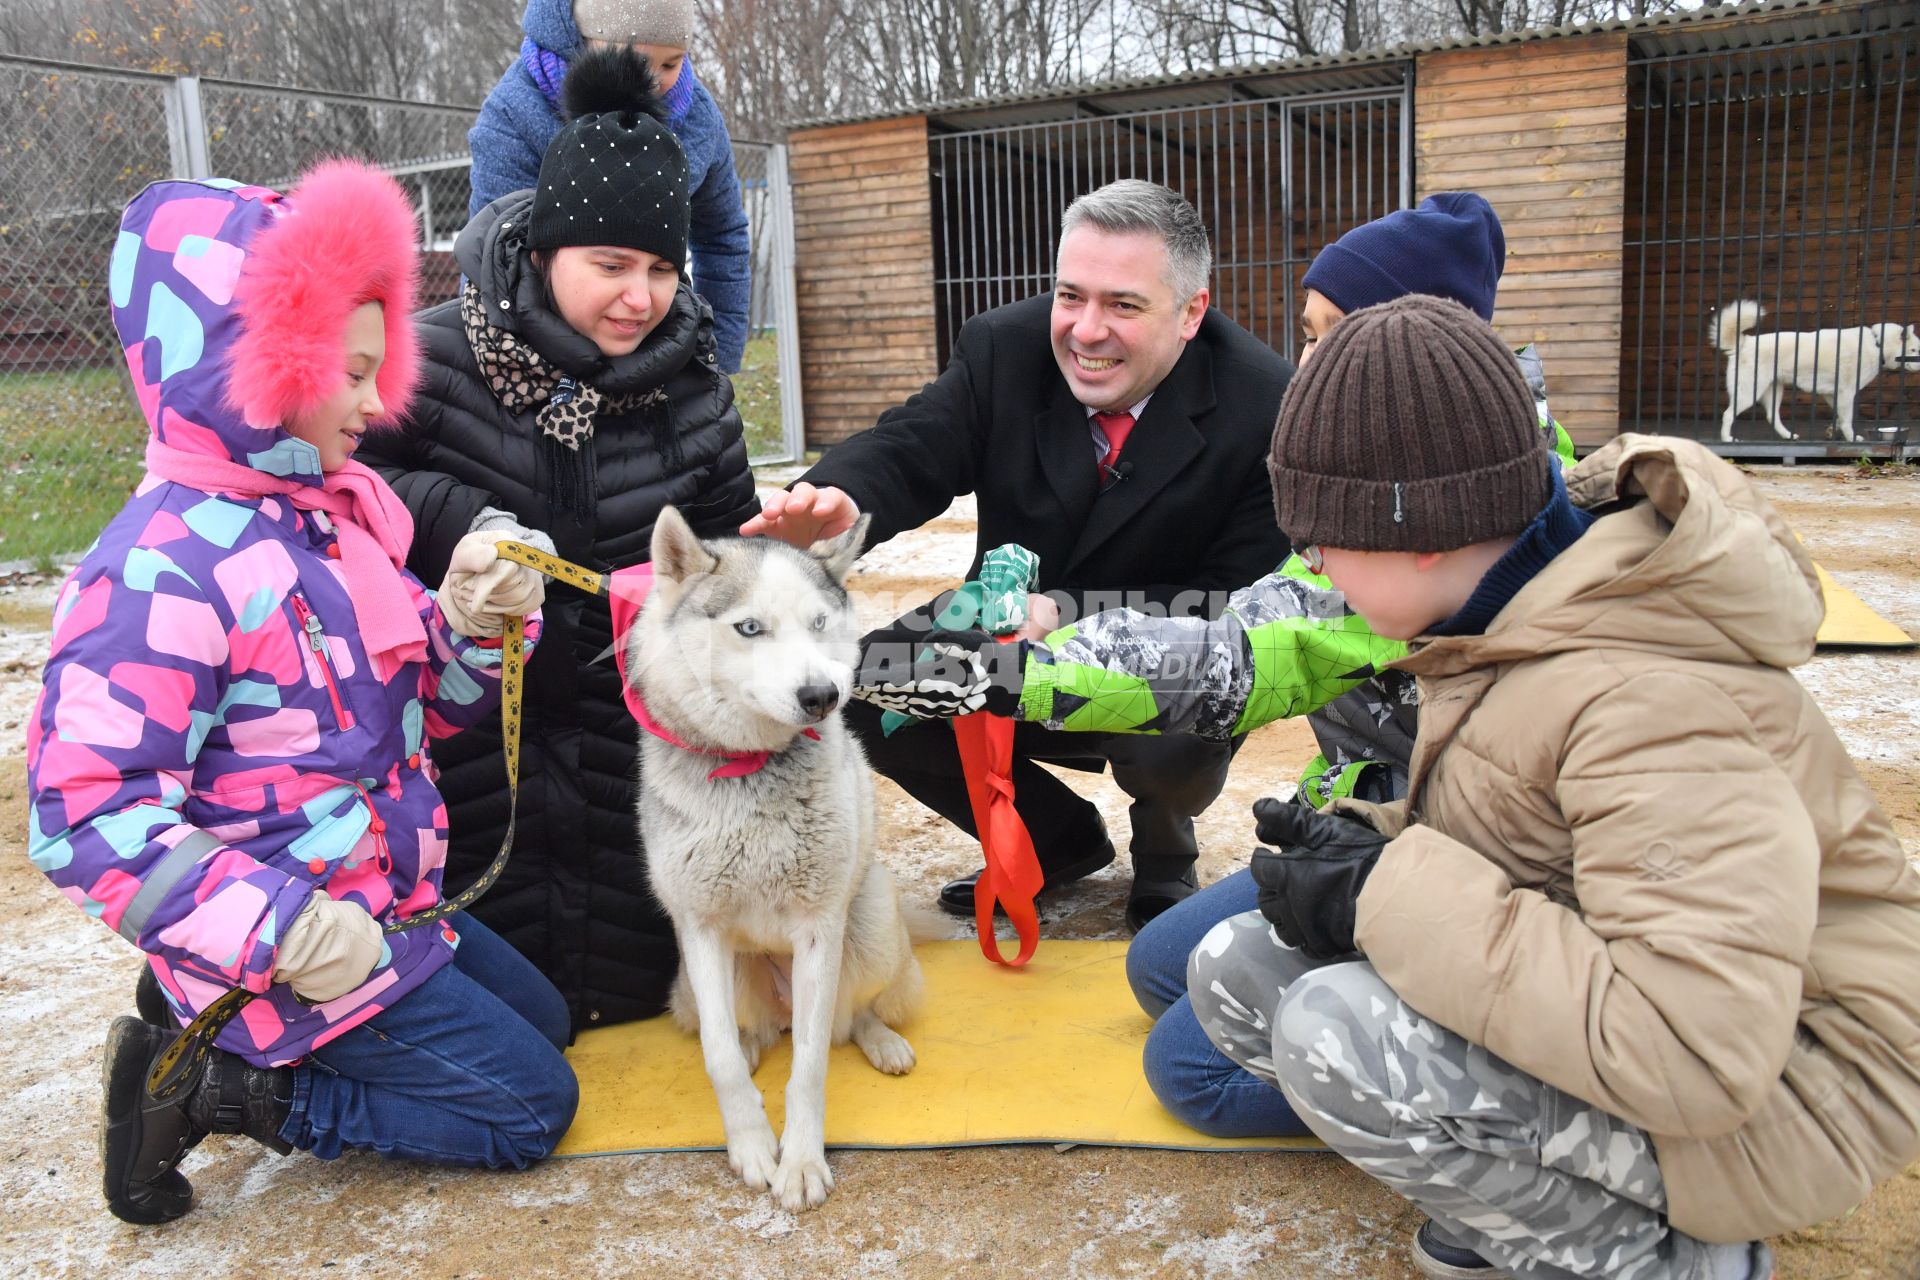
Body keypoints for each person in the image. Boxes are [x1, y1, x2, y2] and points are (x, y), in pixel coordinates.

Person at [1204, 294, 1920, 1277]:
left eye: (1322, 540)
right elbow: (1538, 840)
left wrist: (1386, 893)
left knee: (1339, 1031)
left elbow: (1696, 1051)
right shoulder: (1515, 606)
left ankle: (1673, 1258)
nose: (1312, 567)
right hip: (1674, 1032)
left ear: (1418, 530)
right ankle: (1535, 1199)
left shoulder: (1647, 698)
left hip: (1800, 1090)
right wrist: (1362, 845)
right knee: (1240, 967)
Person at [853, 193, 1578, 1138]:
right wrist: (997, 660)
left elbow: (1237, 648)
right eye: (1309, 335)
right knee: (1162, 967)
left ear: (1419, 363)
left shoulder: (1420, 507)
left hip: (1466, 872)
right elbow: (1264, 634)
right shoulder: (1382, 479)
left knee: (1191, 1069)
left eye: (1331, 338)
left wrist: (1026, 661)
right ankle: (1074, 846)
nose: (1307, 365)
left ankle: (1502, 1118)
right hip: (1366, 825)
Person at [27, 160, 576, 1225]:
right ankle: (228, 1082)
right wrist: (282, 934)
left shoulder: (320, 523)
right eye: (352, 371)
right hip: (302, 942)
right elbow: (83, 814)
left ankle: (196, 1007)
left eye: (381, 367)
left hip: (381, 906)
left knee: (544, 1022)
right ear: (255, 361)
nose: (377, 403)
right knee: (528, 1108)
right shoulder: (160, 571)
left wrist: (470, 622)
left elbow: (429, 708)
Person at [745, 178, 1295, 933]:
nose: (1085, 330)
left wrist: (1064, 618)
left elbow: (1229, 607)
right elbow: (917, 443)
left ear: (1191, 312)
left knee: (1184, 729)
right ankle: (1054, 840)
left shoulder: (1264, 404)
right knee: (863, 691)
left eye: (1123, 305)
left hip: (1157, 654)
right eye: (1071, 296)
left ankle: (1166, 852)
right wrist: (840, 497)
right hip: (999, 633)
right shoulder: (1005, 347)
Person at [359, 45, 761, 1034]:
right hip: (468, 757)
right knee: (513, 1016)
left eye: (663, 267)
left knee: (632, 1006)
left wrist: (763, 563)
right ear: (543, 250)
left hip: (632, 760)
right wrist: (466, 523)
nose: (641, 295)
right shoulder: (433, 358)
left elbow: (733, 568)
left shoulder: (697, 392)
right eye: (611, 265)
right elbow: (347, 484)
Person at [468, 0, 752, 373]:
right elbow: (494, 255)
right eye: (633, 61)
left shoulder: (698, 118)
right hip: (543, 356)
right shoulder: (516, 113)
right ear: (579, 40)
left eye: (671, 63)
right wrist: (514, 368)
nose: (653, 82)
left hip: (657, 343)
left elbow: (723, 236)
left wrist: (716, 359)